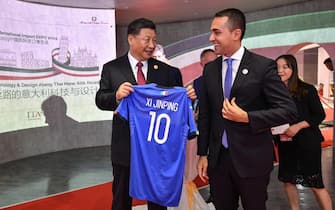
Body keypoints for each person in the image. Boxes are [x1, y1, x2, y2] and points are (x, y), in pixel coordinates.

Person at [196, 8, 297, 210]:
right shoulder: (210, 69)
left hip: (253, 159)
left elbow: (288, 109)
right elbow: (206, 114)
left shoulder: (263, 66)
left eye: (216, 32)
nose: (210, 38)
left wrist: (247, 117)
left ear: (236, 33)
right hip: (218, 161)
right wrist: (203, 154)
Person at [95, 18, 196, 210]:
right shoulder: (112, 68)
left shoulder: (169, 72)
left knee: (158, 200)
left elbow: (175, 107)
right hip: (125, 146)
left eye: (154, 41)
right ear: (131, 39)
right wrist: (116, 96)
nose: (151, 45)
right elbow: (100, 99)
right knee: (121, 198)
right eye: (146, 39)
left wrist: (188, 98)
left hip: (157, 149)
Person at [275, 54, 333, 210]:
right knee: (288, 181)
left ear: (293, 68)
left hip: (307, 143)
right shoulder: (274, 92)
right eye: (277, 67)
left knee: (316, 183)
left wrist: (298, 126)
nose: (280, 71)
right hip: (285, 144)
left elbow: (319, 114)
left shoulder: (306, 89)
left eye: (285, 67)